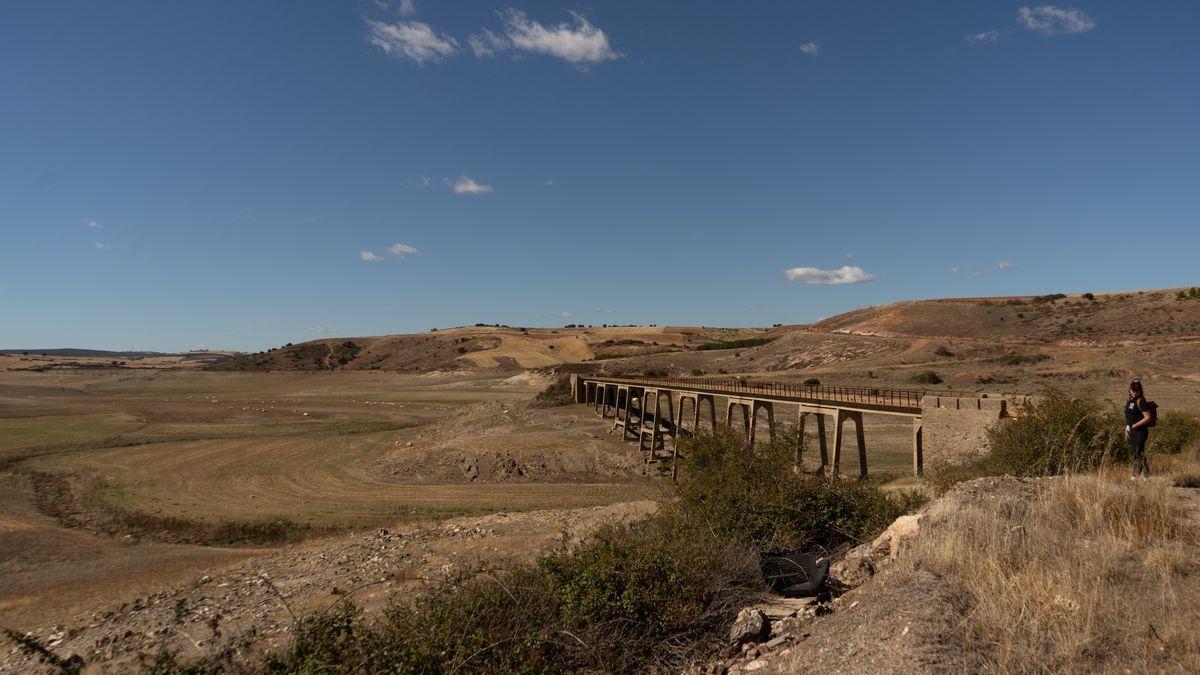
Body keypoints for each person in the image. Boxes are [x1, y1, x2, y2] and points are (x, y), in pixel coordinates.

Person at [1125, 379, 1153, 479]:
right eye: (1133, 390)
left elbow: (1148, 417)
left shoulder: (1140, 401)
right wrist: (1127, 428)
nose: (1135, 392)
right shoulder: (1129, 401)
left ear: (1140, 391)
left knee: (1138, 453)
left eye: (1137, 391)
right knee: (1138, 454)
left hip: (1140, 432)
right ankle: (1146, 476)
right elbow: (1129, 417)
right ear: (1129, 390)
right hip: (1131, 431)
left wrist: (1136, 425)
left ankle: (1134, 477)